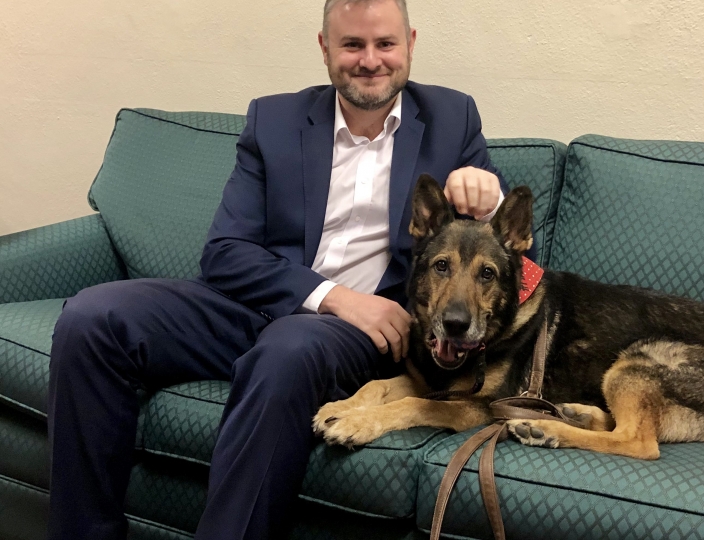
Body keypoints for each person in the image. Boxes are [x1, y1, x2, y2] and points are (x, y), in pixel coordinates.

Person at [46, 0, 512, 538]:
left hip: (357, 334)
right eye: (352, 45)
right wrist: (333, 295)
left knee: (287, 349)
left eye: (385, 44)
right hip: (263, 307)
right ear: (324, 49)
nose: (370, 60)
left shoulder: (453, 119)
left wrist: (487, 196)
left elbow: (494, 241)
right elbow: (224, 251)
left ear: (410, 43)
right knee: (90, 318)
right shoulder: (274, 119)